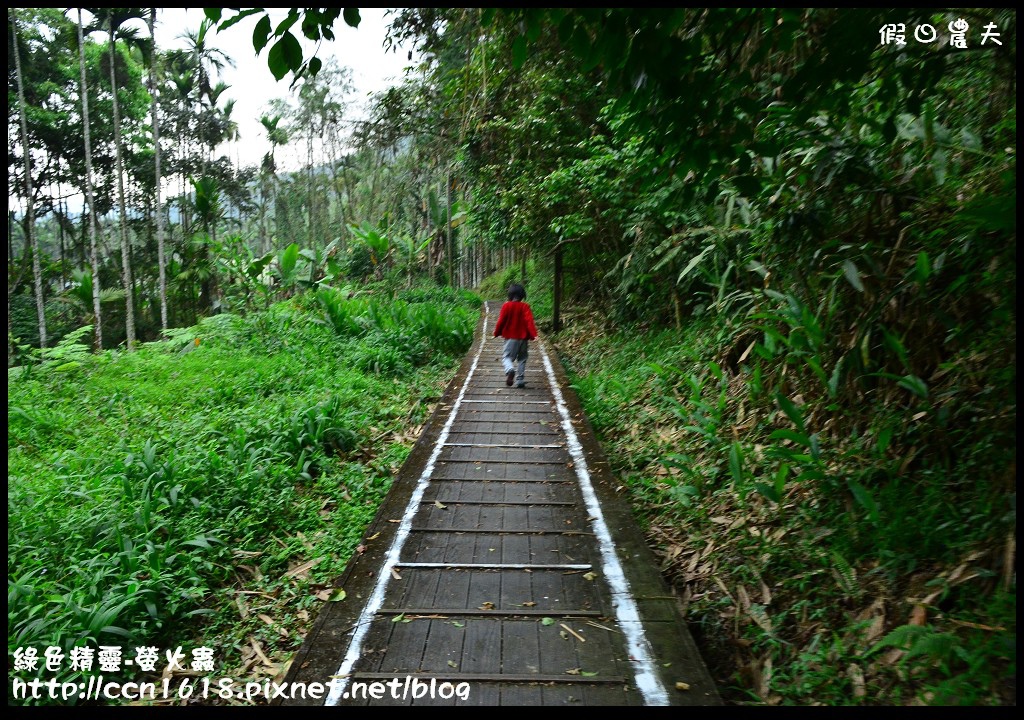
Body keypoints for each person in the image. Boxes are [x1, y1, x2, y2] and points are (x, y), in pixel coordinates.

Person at [493, 283, 538, 388]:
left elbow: (501, 321)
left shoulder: (506, 306)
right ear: (522, 295)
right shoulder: (525, 306)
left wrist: (496, 332)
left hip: (510, 338)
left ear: (510, 295)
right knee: (522, 358)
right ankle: (520, 380)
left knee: (507, 357)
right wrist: (534, 335)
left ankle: (510, 370)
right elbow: (529, 321)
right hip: (523, 339)